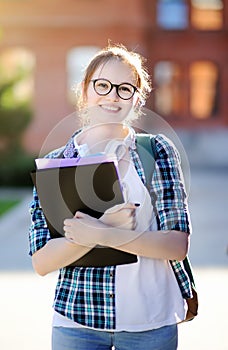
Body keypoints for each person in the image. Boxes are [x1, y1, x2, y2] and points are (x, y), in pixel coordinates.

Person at [29, 43, 192, 350]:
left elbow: (176, 245)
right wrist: (98, 230)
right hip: (77, 321)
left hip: (151, 322)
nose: (113, 95)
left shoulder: (157, 152)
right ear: (84, 91)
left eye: (125, 88)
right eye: (102, 85)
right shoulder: (57, 163)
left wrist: (102, 232)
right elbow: (42, 261)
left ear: (137, 98)